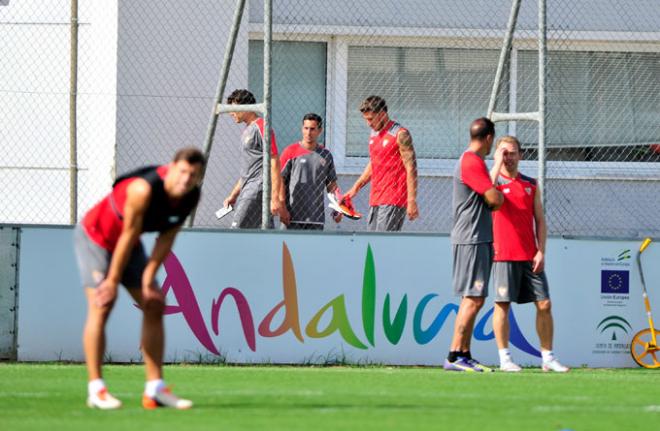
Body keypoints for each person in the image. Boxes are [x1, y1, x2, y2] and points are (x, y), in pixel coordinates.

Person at [74, 148, 205, 409]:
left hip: (129, 246)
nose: (186, 179)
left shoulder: (191, 196)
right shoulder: (142, 190)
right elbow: (127, 234)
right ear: (171, 167)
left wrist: (148, 280)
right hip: (96, 238)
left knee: (154, 304)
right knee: (102, 304)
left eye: (193, 175)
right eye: (182, 172)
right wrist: (111, 281)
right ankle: (96, 390)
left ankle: (155, 389)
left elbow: (166, 238)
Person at [489, 135, 569, 372]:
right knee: (502, 305)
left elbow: (540, 221)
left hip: (529, 256)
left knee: (544, 304)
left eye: (512, 152)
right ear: (497, 155)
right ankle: (504, 359)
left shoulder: (531, 184)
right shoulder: (492, 182)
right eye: (504, 152)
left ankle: (548, 357)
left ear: (520, 155)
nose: (508, 157)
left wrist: (541, 251)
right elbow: (486, 193)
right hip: (502, 255)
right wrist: (495, 163)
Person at [444, 117, 504, 372]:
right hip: (471, 238)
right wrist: (497, 196)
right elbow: (494, 198)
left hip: (477, 237)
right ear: (489, 138)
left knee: (475, 298)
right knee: (473, 298)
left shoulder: (474, 162)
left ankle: (464, 353)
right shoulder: (471, 161)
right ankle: (453, 356)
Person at [344, 96, 418, 231]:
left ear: (382, 114)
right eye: (366, 119)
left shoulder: (400, 134)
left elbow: (411, 168)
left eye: (371, 119)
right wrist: (355, 188)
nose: (368, 123)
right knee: (372, 246)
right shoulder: (374, 134)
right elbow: (374, 163)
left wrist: (411, 200)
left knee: (383, 246)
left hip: (393, 199)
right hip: (376, 198)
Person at [222, 89, 289, 228]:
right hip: (249, 190)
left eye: (233, 108)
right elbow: (249, 169)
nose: (230, 113)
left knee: (236, 231)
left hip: (257, 191)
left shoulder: (261, 126)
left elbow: (275, 161)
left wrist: (275, 198)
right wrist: (233, 195)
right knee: (264, 234)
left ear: (246, 106)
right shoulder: (247, 130)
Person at [280, 113, 341, 230]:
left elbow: (331, 185)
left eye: (312, 129)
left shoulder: (326, 155)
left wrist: (337, 207)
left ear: (320, 130)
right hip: (291, 217)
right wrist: (282, 207)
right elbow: (279, 181)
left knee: (314, 249)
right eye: (306, 128)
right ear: (302, 129)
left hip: (316, 218)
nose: (308, 132)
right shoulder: (290, 151)